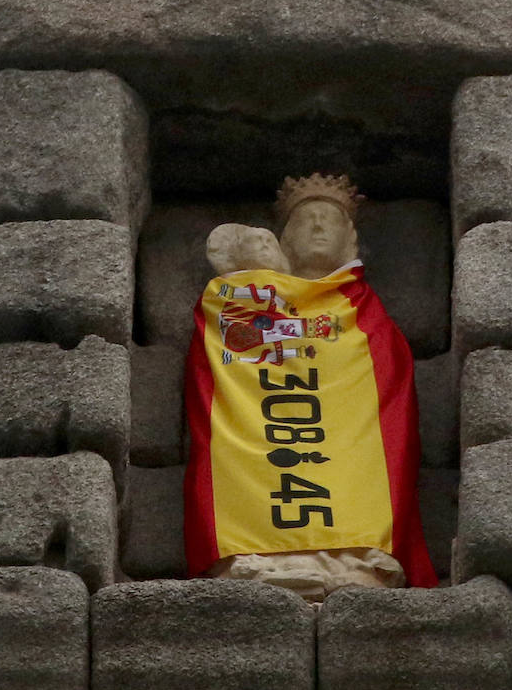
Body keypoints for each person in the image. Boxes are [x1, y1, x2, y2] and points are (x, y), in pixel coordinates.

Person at [184, 174, 436, 601]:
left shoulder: (363, 308)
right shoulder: (240, 295)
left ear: (350, 241)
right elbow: (228, 355)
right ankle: (257, 556)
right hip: (266, 421)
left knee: (369, 454)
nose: (318, 228)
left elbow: (387, 385)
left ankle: (353, 557)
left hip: (342, 427)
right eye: (307, 220)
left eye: (329, 220)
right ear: (285, 238)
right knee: (241, 445)